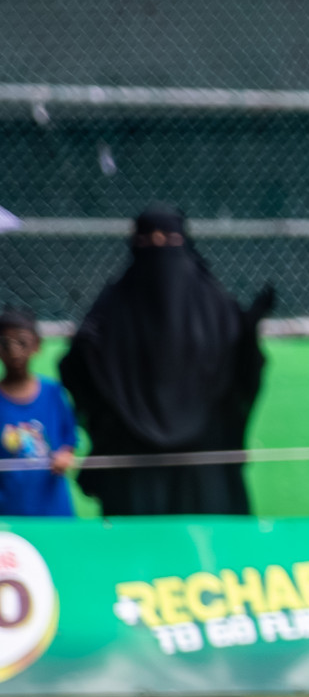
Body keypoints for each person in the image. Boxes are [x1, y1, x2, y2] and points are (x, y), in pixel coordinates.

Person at [59, 205, 273, 516]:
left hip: (202, 458)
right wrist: (86, 349)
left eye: (168, 239)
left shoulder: (216, 309)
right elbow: (78, 371)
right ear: (135, 244)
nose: (159, 249)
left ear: (184, 242)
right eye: (149, 240)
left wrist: (249, 334)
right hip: (133, 460)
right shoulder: (112, 312)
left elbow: (241, 370)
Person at [0, 307, 76, 517]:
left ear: (36, 345)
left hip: (52, 510)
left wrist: (65, 455)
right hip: (10, 513)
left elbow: (69, 439)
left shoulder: (53, 393)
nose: (14, 351)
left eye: (22, 342)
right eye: (5, 343)